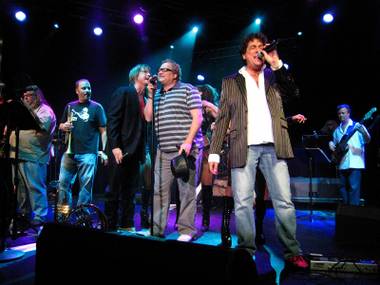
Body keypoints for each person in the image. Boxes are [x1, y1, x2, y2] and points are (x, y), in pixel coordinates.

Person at [208, 32, 308, 269]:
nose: (257, 50)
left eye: (260, 47)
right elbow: (223, 118)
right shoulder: (231, 81)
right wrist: (214, 151)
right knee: (243, 202)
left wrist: (277, 64)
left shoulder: (274, 77)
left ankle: (292, 252)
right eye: (252, 46)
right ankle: (246, 252)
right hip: (244, 145)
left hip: (274, 145)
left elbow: (294, 95)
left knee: (284, 201)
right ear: (244, 54)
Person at [145, 59, 203, 242]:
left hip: (184, 150)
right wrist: (150, 94)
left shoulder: (188, 89)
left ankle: (186, 230)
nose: (159, 72)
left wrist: (187, 142)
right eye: (159, 69)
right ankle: (157, 228)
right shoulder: (157, 94)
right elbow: (148, 117)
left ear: (175, 74)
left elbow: (198, 118)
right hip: (163, 150)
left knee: (186, 191)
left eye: (165, 70)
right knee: (159, 191)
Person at [105, 64, 152, 232]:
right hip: (121, 149)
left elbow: (148, 120)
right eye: (145, 72)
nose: (148, 74)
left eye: (149, 72)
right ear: (135, 75)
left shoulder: (146, 99)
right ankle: (109, 224)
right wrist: (115, 146)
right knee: (114, 188)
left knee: (130, 190)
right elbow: (113, 120)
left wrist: (152, 96)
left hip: (136, 151)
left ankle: (127, 223)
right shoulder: (124, 92)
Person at [57, 79, 107, 216]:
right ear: (77, 91)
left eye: (89, 88)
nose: (87, 91)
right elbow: (61, 125)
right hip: (69, 153)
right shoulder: (70, 106)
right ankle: (63, 215)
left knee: (85, 188)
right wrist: (63, 126)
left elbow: (103, 131)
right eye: (84, 88)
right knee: (63, 185)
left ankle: (82, 216)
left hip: (88, 153)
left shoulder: (97, 108)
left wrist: (103, 150)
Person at [9, 85, 56, 227]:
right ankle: (23, 214)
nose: (25, 98)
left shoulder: (45, 111)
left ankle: (40, 215)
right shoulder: (25, 113)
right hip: (18, 153)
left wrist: (27, 109)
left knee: (35, 187)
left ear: (38, 96)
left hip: (34, 155)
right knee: (20, 188)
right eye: (24, 96)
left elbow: (42, 127)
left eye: (29, 95)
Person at [328, 104, 371, 205]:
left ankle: (353, 214)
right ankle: (346, 212)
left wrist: (364, 133)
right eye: (339, 113)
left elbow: (368, 140)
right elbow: (336, 146)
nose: (341, 115)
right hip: (342, 163)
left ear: (348, 113)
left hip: (355, 163)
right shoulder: (337, 130)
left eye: (343, 113)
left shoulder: (357, 126)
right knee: (342, 189)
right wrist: (331, 144)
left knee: (354, 189)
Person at [197, 84, 219, 232]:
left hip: (205, 149)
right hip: (190, 148)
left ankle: (205, 217)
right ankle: (182, 217)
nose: (196, 94)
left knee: (206, 185)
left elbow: (222, 117)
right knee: (186, 183)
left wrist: (209, 104)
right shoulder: (190, 108)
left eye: (199, 92)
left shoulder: (208, 108)